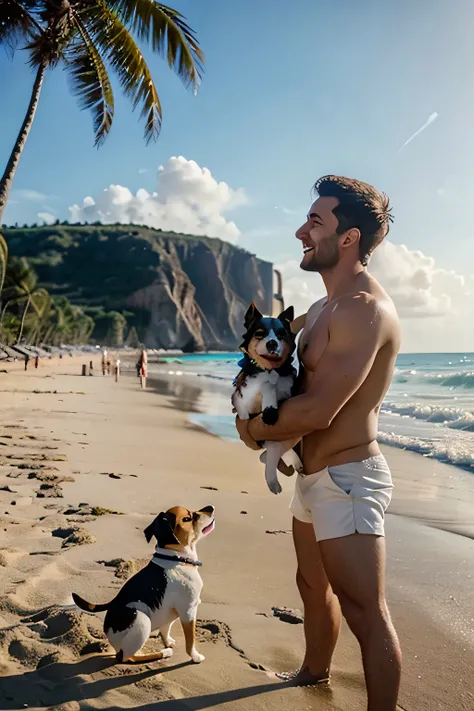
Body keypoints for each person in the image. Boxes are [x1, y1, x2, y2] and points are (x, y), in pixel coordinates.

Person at [235, 175, 402, 711]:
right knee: (312, 584)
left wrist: (250, 430)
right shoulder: (322, 309)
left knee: (365, 611)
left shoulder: (363, 311)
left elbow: (318, 409)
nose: (301, 230)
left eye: (316, 221)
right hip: (311, 477)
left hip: (349, 480)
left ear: (348, 237)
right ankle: (313, 672)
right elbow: (265, 356)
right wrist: (244, 402)